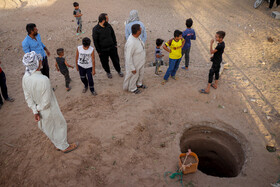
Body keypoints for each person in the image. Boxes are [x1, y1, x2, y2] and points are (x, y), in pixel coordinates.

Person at [22, 51, 78, 153]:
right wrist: (37, 109)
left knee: (49, 128)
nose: (40, 60)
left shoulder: (25, 77)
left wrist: (35, 110)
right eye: (39, 59)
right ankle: (64, 147)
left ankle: (58, 144)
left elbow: (27, 97)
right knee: (60, 125)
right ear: (37, 63)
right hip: (49, 109)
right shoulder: (43, 79)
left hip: (39, 109)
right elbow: (46, 102)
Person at [92, 13, 123, 79]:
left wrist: (115, 44)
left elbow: (113, 35)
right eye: (107, 19)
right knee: (105, 63)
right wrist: (99, 51)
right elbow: (95, 41)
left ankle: (119, 70)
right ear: (103, 20)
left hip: (112, 48)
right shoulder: (95, 29)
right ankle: (108, 72)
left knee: (116, 60)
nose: (108, 20)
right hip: (103, 51)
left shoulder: (108, 26)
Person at [123, 24, 147, 94]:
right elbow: (128, 57)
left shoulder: (137, 37)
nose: (141, 30)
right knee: (134, 76)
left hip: (141, 62)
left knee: (141, 73)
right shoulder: (131, 42)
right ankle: (132, 88)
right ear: (137, 31)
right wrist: (132, 68)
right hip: (135, 63)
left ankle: (139, 84)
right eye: (140, 29)